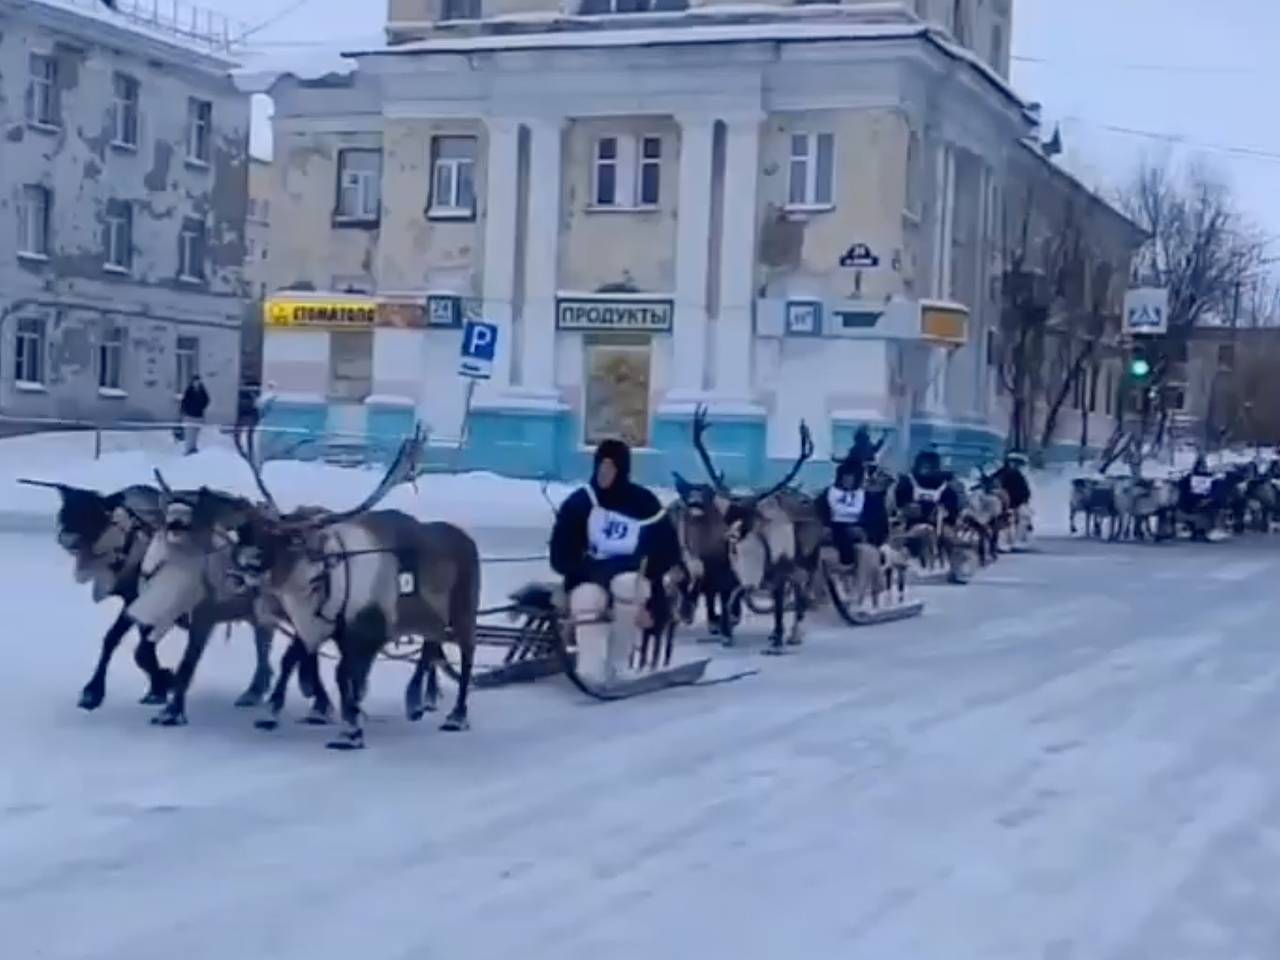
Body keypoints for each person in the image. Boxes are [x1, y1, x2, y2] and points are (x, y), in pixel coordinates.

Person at [549, 438, 682, 685]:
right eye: (601, 465)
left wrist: (648, 572)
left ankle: (619, 663)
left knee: (626, 586)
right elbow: (560, 555)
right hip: (587, 577)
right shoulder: (580, 503)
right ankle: (589, 668)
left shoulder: (644, 503)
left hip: (632, 577)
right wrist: (584, 569)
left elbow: (668, 549)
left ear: (622, 470)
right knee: (588, 599)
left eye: (611, 466)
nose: (604, 472)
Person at [817, 462, 866, 567]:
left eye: (850, 479)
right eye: (845, 478)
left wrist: (842, 510)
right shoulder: (833, 491)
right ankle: (846, 563)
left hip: (855, 522)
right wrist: (848, 510)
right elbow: (834, 508)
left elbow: (858, 509)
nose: (847, 481)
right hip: (837, 522)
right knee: (841, 534)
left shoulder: (859, 492)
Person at [178, 374, 210, 455]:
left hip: (198, 415)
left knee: (196, 434)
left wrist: (201, 406)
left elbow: (207, 400)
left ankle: (194, 448)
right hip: (190, 415)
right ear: (192, 382)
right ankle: (188, 449)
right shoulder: (189, 390)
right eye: (195, 381)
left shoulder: (202, 390)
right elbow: (184, 402)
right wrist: (185, 411)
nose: (197, 383)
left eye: (198, 381)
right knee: (189, 434)